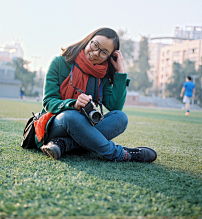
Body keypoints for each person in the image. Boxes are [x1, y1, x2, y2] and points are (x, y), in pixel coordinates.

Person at [35, 28, 157, 163]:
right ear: (88, 41)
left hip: (87, 126)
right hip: (56, 124)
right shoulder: (59, 62)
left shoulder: (102, 75)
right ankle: (122, 154)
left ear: (109, 57)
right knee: (72, 116)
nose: (95, 53)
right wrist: (73, 104)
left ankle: (64, 144)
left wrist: (120, 72)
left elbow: (115, 106)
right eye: (95, 45)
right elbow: (48, 102)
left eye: (104, 52)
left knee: (121, 118)